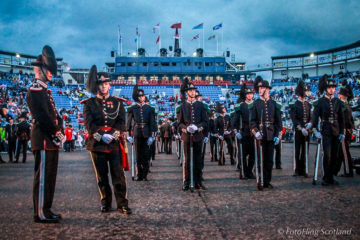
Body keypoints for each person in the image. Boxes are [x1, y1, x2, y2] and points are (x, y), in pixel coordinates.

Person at [82, 65, 131, 214]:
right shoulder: (89, 104)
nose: (104, 86)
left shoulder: (117, 102)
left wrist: (114, 135)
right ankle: (105, 202)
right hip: (97, 145)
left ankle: (122, 203)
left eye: (106, 83)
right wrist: (101, 136)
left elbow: (121, 123)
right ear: (97, 85)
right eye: (101, 84)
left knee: (119, 176)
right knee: (101, 176)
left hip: (114, 144)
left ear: (110, 85)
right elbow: (89, 125)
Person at [26, 45, 65, 223]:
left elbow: (55, 116)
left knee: (49, 178)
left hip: (49, 140)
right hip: (43, 139)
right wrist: (57, 133)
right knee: (42, 179)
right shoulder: (36, 89)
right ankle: (40, 212)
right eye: (48, 70)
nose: (50, 73)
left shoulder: (44, 90)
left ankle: (46, 209)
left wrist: (60, 132)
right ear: (40, 69)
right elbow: (43, 117)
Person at [310, 75, 345, 186]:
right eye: (330, 87)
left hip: (336, 130)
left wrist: (342, 132)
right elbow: (315, 117)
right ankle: (326, 178)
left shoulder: (338, 102)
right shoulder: (320, 102)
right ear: (326, 89)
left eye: (333, 87)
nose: (332, 89)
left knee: (335, 155)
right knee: (327, 155)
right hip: (325, 130)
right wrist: (315, 130)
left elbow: (341, 118)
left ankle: (331, 177)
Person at [250, 79, 282, 189]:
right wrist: (255, 132)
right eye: (259, 88)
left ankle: (267, 181)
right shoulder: (255, 104)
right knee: (260, 160)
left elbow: (278, 122)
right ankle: (261, 181)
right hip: (260, 135)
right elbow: (252, 121)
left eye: (262, 88)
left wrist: (278, 135)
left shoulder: (274, 104)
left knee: (269, 160)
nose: (260, 90)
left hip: (271, 134)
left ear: (267, 89)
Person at [178, 78, 208, 190]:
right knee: (187, 160)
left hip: (198, 135)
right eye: (190, 91)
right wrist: (186, 128)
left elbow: (205, 122)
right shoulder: (182, 106)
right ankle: (186, 181)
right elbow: (179, 123)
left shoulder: (200, 105)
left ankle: (198, 181)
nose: (192, 92)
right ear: (187, 93)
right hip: (187, 136)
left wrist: (198, 127)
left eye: (193, 90)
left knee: (198, 159)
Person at [126, 85, 156, 181]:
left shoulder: (149, 108)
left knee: (146, 155)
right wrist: (128, 135)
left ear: (144, 97)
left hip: (147, 133)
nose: (141, 98)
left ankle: (145, 173)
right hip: (137, 132)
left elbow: (152, 122)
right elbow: (129, 122)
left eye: (142, 96)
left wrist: (152, 135)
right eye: (139, 96)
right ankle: (139, 173)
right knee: (138, 155)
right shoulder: (132, 108)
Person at [232, 84, 256, 179]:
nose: (250, 95)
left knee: (253, 154)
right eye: (248, 94)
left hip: (254, 133)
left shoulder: (256, 105)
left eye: (251, 94)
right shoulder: (241, 106)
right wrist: (236, 131)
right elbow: (235, 120)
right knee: (243, 154)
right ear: (245, 95)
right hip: (244, 132)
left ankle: (250, 171)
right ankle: (244, 171)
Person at [289, 81, 312, 177]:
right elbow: (294, 119)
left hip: (307, 130)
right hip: (299, 130)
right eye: (305, 91)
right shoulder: (294, 104)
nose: (307, 93)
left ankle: (303, 169)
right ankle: (297, 169)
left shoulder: (308, 104)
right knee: (297, 150)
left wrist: (310, 124)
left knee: (305, 151)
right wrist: (301, 128)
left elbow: (310, 117)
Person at [334, 82, 355, 177]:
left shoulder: (343, 106)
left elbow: (345, 120)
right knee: (341, 152)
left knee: (344, 152)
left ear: (341, 96)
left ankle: (349, 171)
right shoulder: (347, 106)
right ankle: (336, 170)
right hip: (347, 130)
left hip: (344, 131)